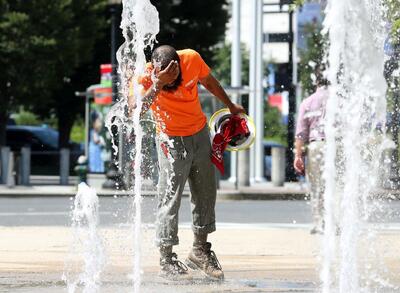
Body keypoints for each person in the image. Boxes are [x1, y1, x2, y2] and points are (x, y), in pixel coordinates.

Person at [132, 45, 245, 280]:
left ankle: (199, 250)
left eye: (177, 77)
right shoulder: (145, 76)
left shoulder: (192, 58)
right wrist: (159, 84)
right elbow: (136, 110)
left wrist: (230, 105)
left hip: (200, 133)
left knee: (205, 192)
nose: (175, 83)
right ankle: (166, 259)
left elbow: (210, 82)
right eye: (168, 80)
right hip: (170, 141)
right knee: (169, 197)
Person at [293, 80, 329, 235]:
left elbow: (301, 133)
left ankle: (319, 222)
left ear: (316, 83)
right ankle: (336, 222)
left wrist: (298, 156)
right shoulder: (341, 99)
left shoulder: (308, 102)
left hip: (316, 146)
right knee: (338, 184)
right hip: (337, 145)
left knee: (316, 186)